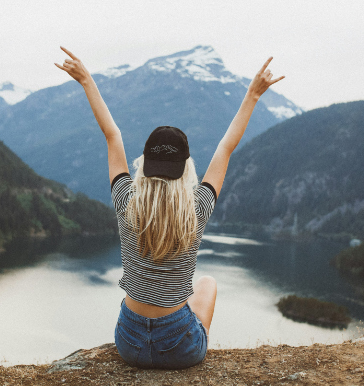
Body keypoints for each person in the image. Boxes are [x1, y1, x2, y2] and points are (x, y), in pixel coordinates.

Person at [55, 47, 284, 369]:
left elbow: (112, 135)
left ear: (145, 164)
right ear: (186, 167)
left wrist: (87, 81)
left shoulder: (126, 200)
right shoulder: (197, 208)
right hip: (181, 349)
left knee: (178, 295)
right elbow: (226, 147)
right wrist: (252, 96)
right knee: (206, 284)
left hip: (129, 343)